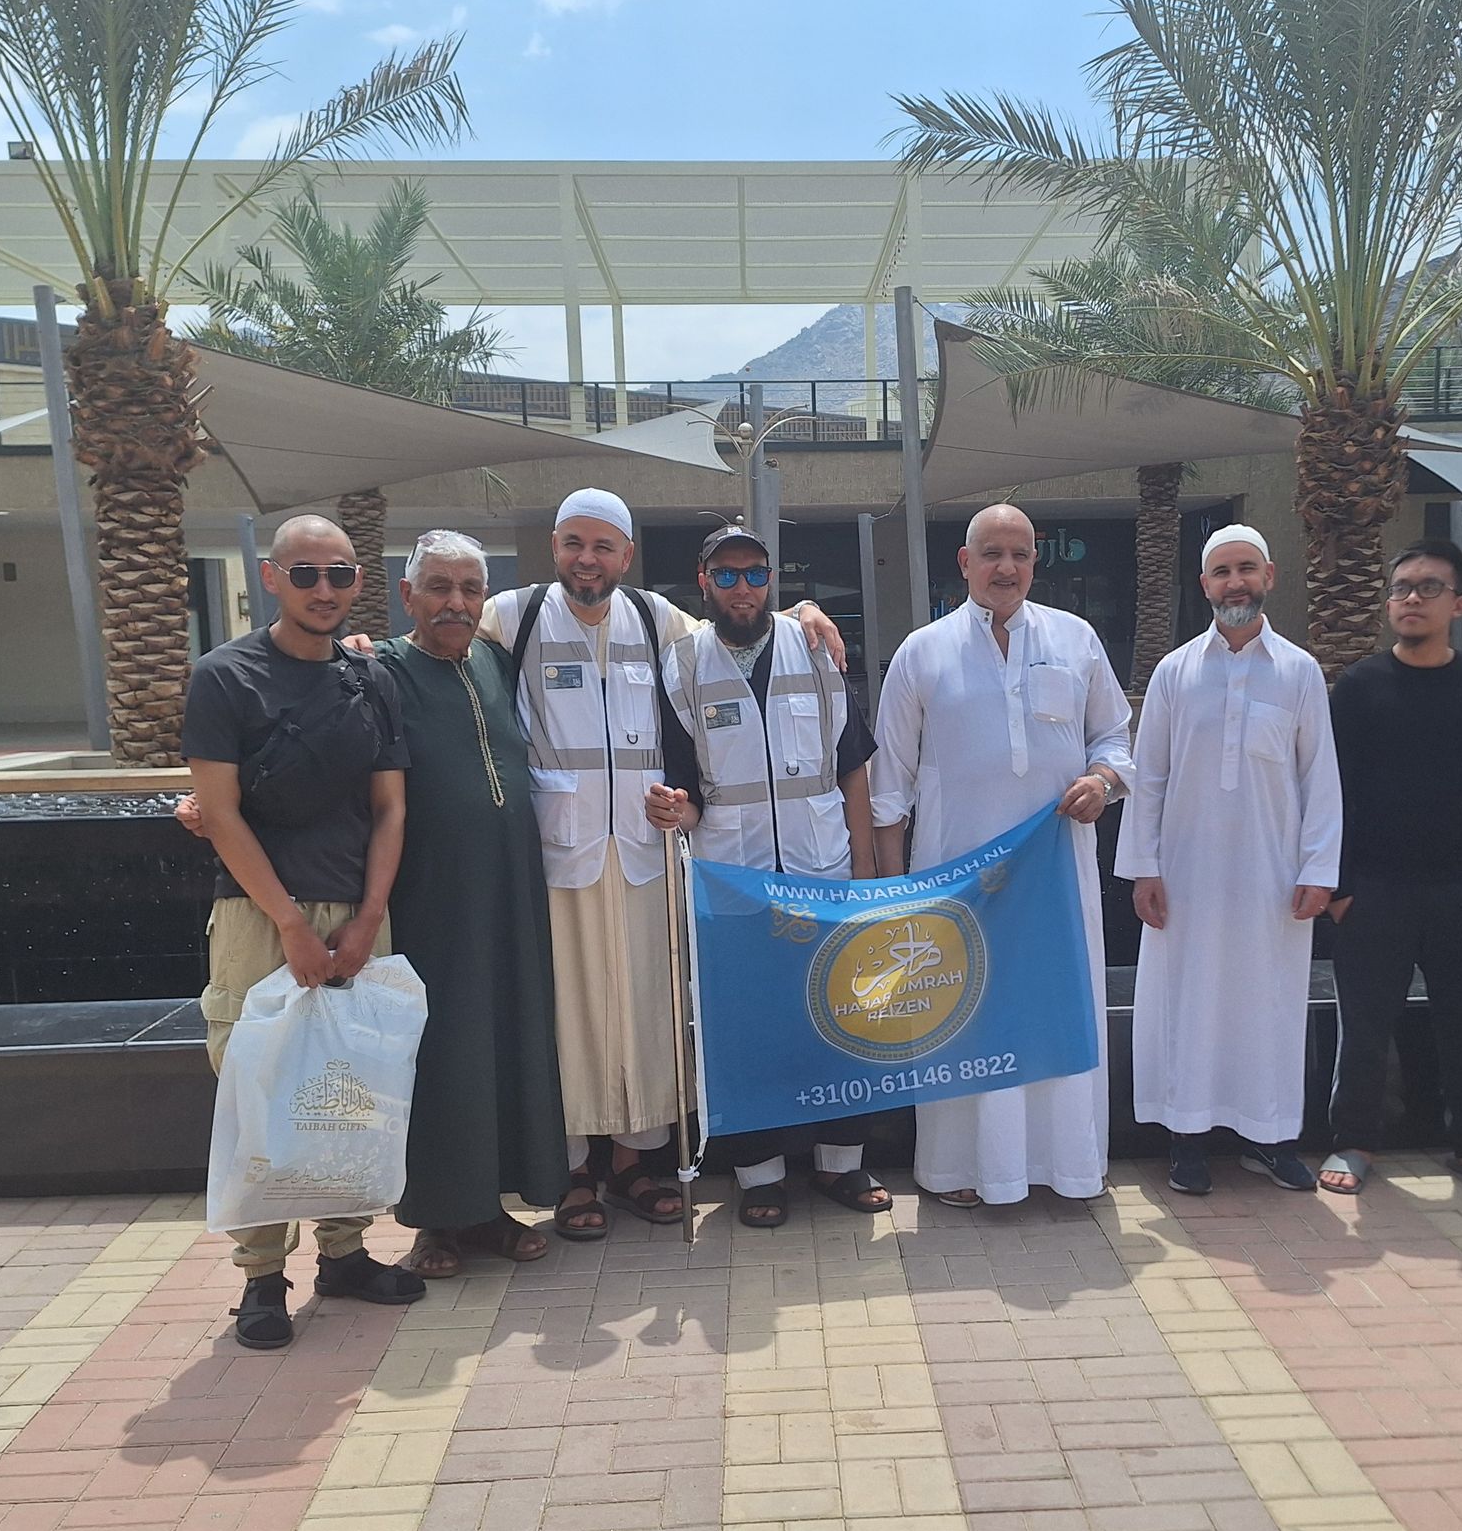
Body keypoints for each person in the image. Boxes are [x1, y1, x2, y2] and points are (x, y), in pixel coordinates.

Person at [477, 489, 846, 1240]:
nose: (589, 559)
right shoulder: (510, 616)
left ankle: (635, 1165)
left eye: (604, 546)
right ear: (556, 546)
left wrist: (808, 611)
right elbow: (440, 640)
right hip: (560, 855)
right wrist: (364, 647)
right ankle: (576, 1172)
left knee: (649, 1011)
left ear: (626, 555)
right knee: (570, 1017)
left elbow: (743, 627)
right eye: (576, 543)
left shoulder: (656, 620)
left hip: (650, 855)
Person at [182, 514, 425, 1350]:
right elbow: (217, 811)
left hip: (357, 910)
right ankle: (259, 1279)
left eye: (341, 574)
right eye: (308, 573)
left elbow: (391, 807)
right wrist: (288, 921)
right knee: (258, 1087)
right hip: (257, 914)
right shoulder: (225, 678)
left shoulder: (370, 680)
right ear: (273, 579)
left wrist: (365, 919)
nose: (326, 589)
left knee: (354, 1084)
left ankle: (348, 1253)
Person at [870, 503, 1133, 1208]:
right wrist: (898, 897)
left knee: (1056, 1008)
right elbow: (888, 788)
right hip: (955, 882)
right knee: (965, 1018)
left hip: (1055, 875)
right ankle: (961, 1171)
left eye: (1019, 553)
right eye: (991, 553)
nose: (1006, 568)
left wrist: (1101, 781)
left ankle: (1068, 1164)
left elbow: (1116, 738)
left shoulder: (1076, 641)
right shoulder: (921, 653)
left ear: (1035, 561)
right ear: (964, 563)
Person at [647, 524, 890, 1227]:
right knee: (746, 1029)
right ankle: (759, 1175)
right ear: (703, 584)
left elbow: (852, 765)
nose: (743, 588)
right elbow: (684, 786)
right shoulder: (682, 665)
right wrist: (676, 809)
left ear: (771, 579)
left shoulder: (815, 649)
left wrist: (865, 874)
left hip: (823, 869)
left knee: (840, 1016)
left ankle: (843, 1163)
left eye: (755, 574)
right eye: (726, 576)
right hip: (734, 878)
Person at [1116, 526, 1340, 1196]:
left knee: (1267, 1005)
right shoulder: (1175, 672)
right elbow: (1147, 776)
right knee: (1188, 1003)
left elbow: (1320, 779)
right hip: (1186, 877)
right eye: (1221, 572)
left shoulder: (1298, 672)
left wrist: (1317, 871)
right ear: (1204, 584)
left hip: (1273, 879)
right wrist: (1143, 868)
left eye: (1246, 569)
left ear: (1269, 576)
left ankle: (1271, 1139)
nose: (1234, 583)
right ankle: (1187, 1141)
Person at [377, 534, 569, 1269]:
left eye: (468, 588)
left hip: (511, 891)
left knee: (503, 1041)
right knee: (443, 1054)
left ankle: (490, 1210)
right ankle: (437, 1219)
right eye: (438, 587)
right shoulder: (383, 671)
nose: (455, 602)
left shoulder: (497, 661)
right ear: (408, 596)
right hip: (433, 897)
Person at [1320, 539, 1462, 1198]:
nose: (1412, 598)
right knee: (1365, 1026)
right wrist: (1342, 890)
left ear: (1458, 604)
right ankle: (1354, 1140)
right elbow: (1333, 794)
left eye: (1429, 587)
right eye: (1403, 587)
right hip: (1375, 893)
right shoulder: (1357, 687)